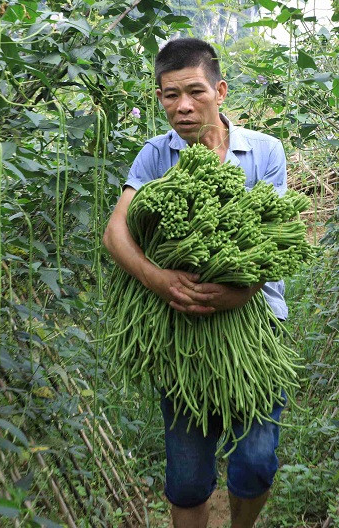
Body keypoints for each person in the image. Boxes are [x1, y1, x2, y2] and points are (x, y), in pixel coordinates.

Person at [102, 37, 289, 528]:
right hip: (180, 331)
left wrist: (240, 291)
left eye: (195, 92)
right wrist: (158, 279)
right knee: (186, 478)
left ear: (220, 91)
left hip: (255, 326)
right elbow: (116, 231)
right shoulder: (154, 155)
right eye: (169, 95)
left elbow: (273, 236)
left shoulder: (265, 151)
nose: (182, 107)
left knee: (255, 461)